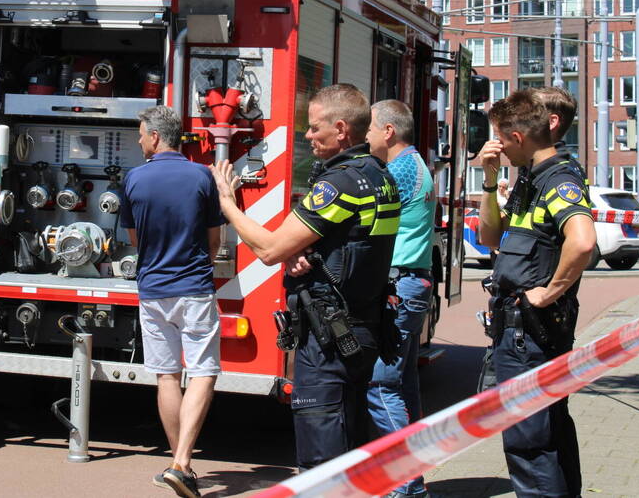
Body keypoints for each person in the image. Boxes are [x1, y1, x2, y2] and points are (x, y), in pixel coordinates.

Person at [211, 84, 400, 470]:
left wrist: (228, 204)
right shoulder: (380, 176)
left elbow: (268, 250)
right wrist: (307, 253)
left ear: (342, 129)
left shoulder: (340, 184)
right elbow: (353, 245)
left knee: (321, 460)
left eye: (315, 128)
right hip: (362, 327)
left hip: (330, 338)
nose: (308, 135)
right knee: (349, 446)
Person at [476, 90, 596, 497]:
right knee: (549, 432)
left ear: (519, 137)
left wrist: (548, 293)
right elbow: (489, 235)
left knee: (529, 442)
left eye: (502, 139)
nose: (499, 147)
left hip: (531, 331)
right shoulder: (531, 178)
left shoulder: (559, 179)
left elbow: (582, 243)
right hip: (521, 330)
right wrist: (490, 182)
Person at [119, 105, 224, 498]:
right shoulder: (201, 176)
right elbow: (214, 240)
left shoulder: (133, 180)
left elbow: (134, 240)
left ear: (156, 136)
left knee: (166, 376)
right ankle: (182, 464)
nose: (139, 139)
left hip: (152, 291)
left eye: (141, 133)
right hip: (194, 287)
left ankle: (179, 464)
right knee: (202, 372)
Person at [365, 100, 435, 498]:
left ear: (389, 131)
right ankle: (413, 482)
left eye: (371, 129)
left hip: (398, 287)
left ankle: (405, 485)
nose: (367, 135)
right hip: (411, 284)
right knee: (404, 385)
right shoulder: (417, 165)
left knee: (380, 386)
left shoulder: (398, 171)